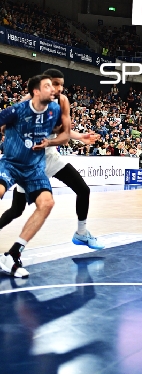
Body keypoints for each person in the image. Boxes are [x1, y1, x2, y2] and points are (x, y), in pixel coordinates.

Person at [0, 69, 104, 250]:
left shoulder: (62, 101)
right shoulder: (28, 101)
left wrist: (80, 137)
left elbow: (64, 131)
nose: (59, 88)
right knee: (16, 210)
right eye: (55, 84)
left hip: (51, 157)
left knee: (83, 190)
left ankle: (81, 233)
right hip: (29, 162)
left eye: (61, 85)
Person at [0, 74, 65, 277]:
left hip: (34, 168)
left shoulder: (55, 110)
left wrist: (78, 137)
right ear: (36, 91)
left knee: (47, 203)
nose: (53, 89)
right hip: (11, 164)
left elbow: (63, 132)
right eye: (47, 86)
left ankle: (13, 254)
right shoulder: (16, 110)